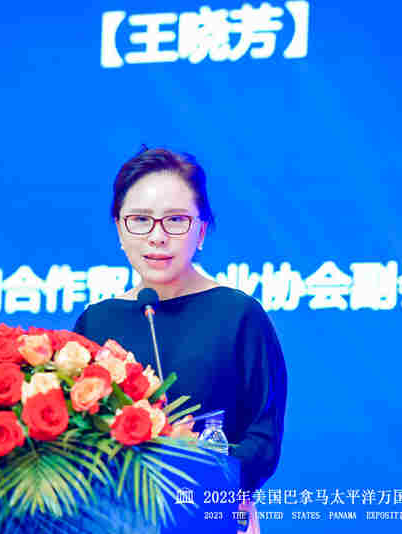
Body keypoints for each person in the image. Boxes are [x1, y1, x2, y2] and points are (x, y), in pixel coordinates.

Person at [73, 147, 287, 532]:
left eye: (175, 220)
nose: (157, 237)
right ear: (119, 229)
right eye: (140, 220)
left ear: (201, 231)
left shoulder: (239, 315)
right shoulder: (96, 322)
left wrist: (201, 470)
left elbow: (263, 438)